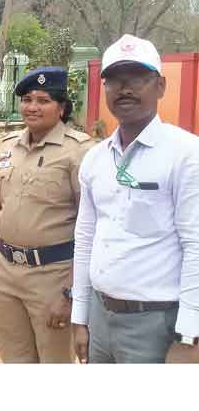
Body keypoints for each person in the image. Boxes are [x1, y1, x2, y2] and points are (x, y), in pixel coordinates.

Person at [71, 34, 199, 364]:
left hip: (156, 325)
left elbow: (195, 245)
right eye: (115, 79)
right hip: (100, 318)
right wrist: (79, 317)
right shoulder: (95, 158)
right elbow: (85, 239)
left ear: (160, 86)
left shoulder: (185, 154)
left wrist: (189, 337)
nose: (125, 88)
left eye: (138, 78)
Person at [0, 67, 93, 363]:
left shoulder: (79, 152)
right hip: (6, 271)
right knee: (15, 360)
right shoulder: (8, 145)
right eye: (27, 99)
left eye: (43, 100)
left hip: (53, 276)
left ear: (61, 108)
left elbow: (90, 226)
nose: (32, 107)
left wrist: (71, 292)